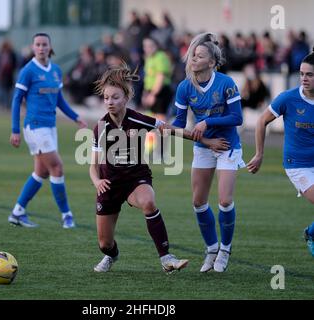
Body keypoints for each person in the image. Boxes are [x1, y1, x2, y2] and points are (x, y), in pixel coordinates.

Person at [89, 63, 229, 273]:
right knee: (105, 244)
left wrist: (207, 143)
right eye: (107, 98)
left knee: (148, 201)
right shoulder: (100, 127)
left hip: (136, 179)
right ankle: (112, 256)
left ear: (126, 98)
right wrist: (97, 181)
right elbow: (93, 166)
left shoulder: (137, 119)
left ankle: (166, 258)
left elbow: (171, 130)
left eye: (115, 97)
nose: (110, 102)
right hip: (109, 185)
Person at [172, 32, 245, 273]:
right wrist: (164, 128)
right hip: (204, 146)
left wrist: (207, 122)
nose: (193, 58)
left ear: (212, 63)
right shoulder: (184, 87)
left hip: (227, 145)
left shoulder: (226, 83)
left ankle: (225, 249)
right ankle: (211, 249)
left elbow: (237, 118)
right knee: (198, 202)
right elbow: (180, 125)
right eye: (193, 54)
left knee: (224, 200)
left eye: (200, 55)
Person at [8, 33, 87, 228]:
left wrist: (75, 117)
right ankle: (66, 215)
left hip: (50, 127)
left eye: (44, 44)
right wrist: (15, 130)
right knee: (57, 167)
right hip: (35, 126)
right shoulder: (28, 71)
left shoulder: (56, 71)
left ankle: (17, 212)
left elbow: (59, 99)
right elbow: (17, 99)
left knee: (41, 172)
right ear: (33, 47)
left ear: (50, 47)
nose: (41, 47)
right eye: (38, 44)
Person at [247, 48, 314, 257]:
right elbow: (261, 121)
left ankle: (311, 232)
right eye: (302, 74)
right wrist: (259, 154)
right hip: (297, 164)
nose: (304, 78)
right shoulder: (288, 98)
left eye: (310, 74)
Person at [0, 39, 17, 109]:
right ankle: (4, 104)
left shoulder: (11, 54)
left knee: (7, 90)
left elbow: (15, 64)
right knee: (4, 90)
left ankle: (7, 104)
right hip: (3, 75)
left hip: (8, 75)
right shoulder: (1, 53)